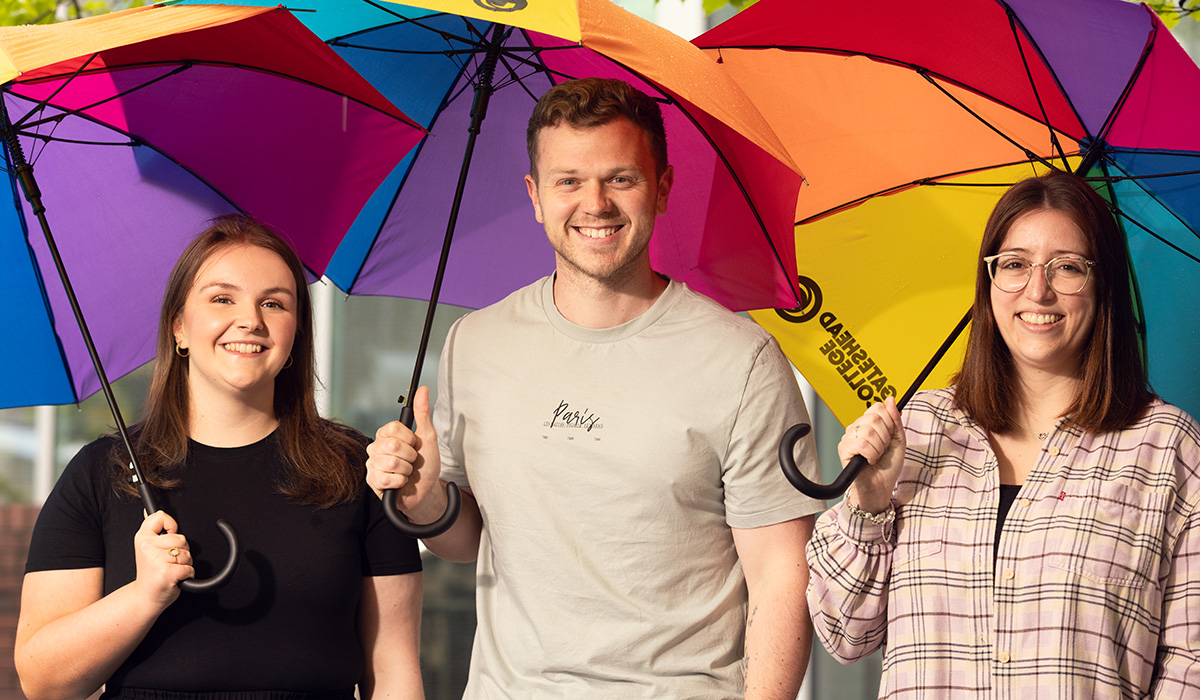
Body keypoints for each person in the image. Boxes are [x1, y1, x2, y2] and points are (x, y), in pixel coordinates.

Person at [365, 77, 824, 699]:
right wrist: (424, 503)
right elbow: (470, 538)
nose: (596, 203)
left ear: (661, 188)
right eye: (569, 181)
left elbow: (781, 574)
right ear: (535, 195)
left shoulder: (741, 361)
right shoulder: (475, 343)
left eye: (621, 178)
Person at [807, 169, 1200, 697]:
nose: (1037, 290)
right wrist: (869, 507)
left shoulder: (1168, 449)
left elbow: (1191, 662)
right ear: (988, 280)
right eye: (1014, 264)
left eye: (1067, 268)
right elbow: (844, 635)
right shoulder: (919, 430)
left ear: (1102, 283)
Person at [16, 216, 425, 700]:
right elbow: (43, 684)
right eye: (222, 298)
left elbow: (394, 670)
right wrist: (143, 596)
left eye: (274, 303)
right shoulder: (100, 473)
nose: (251, 319)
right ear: (179, 328)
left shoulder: (359, 469)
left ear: (296, 334)